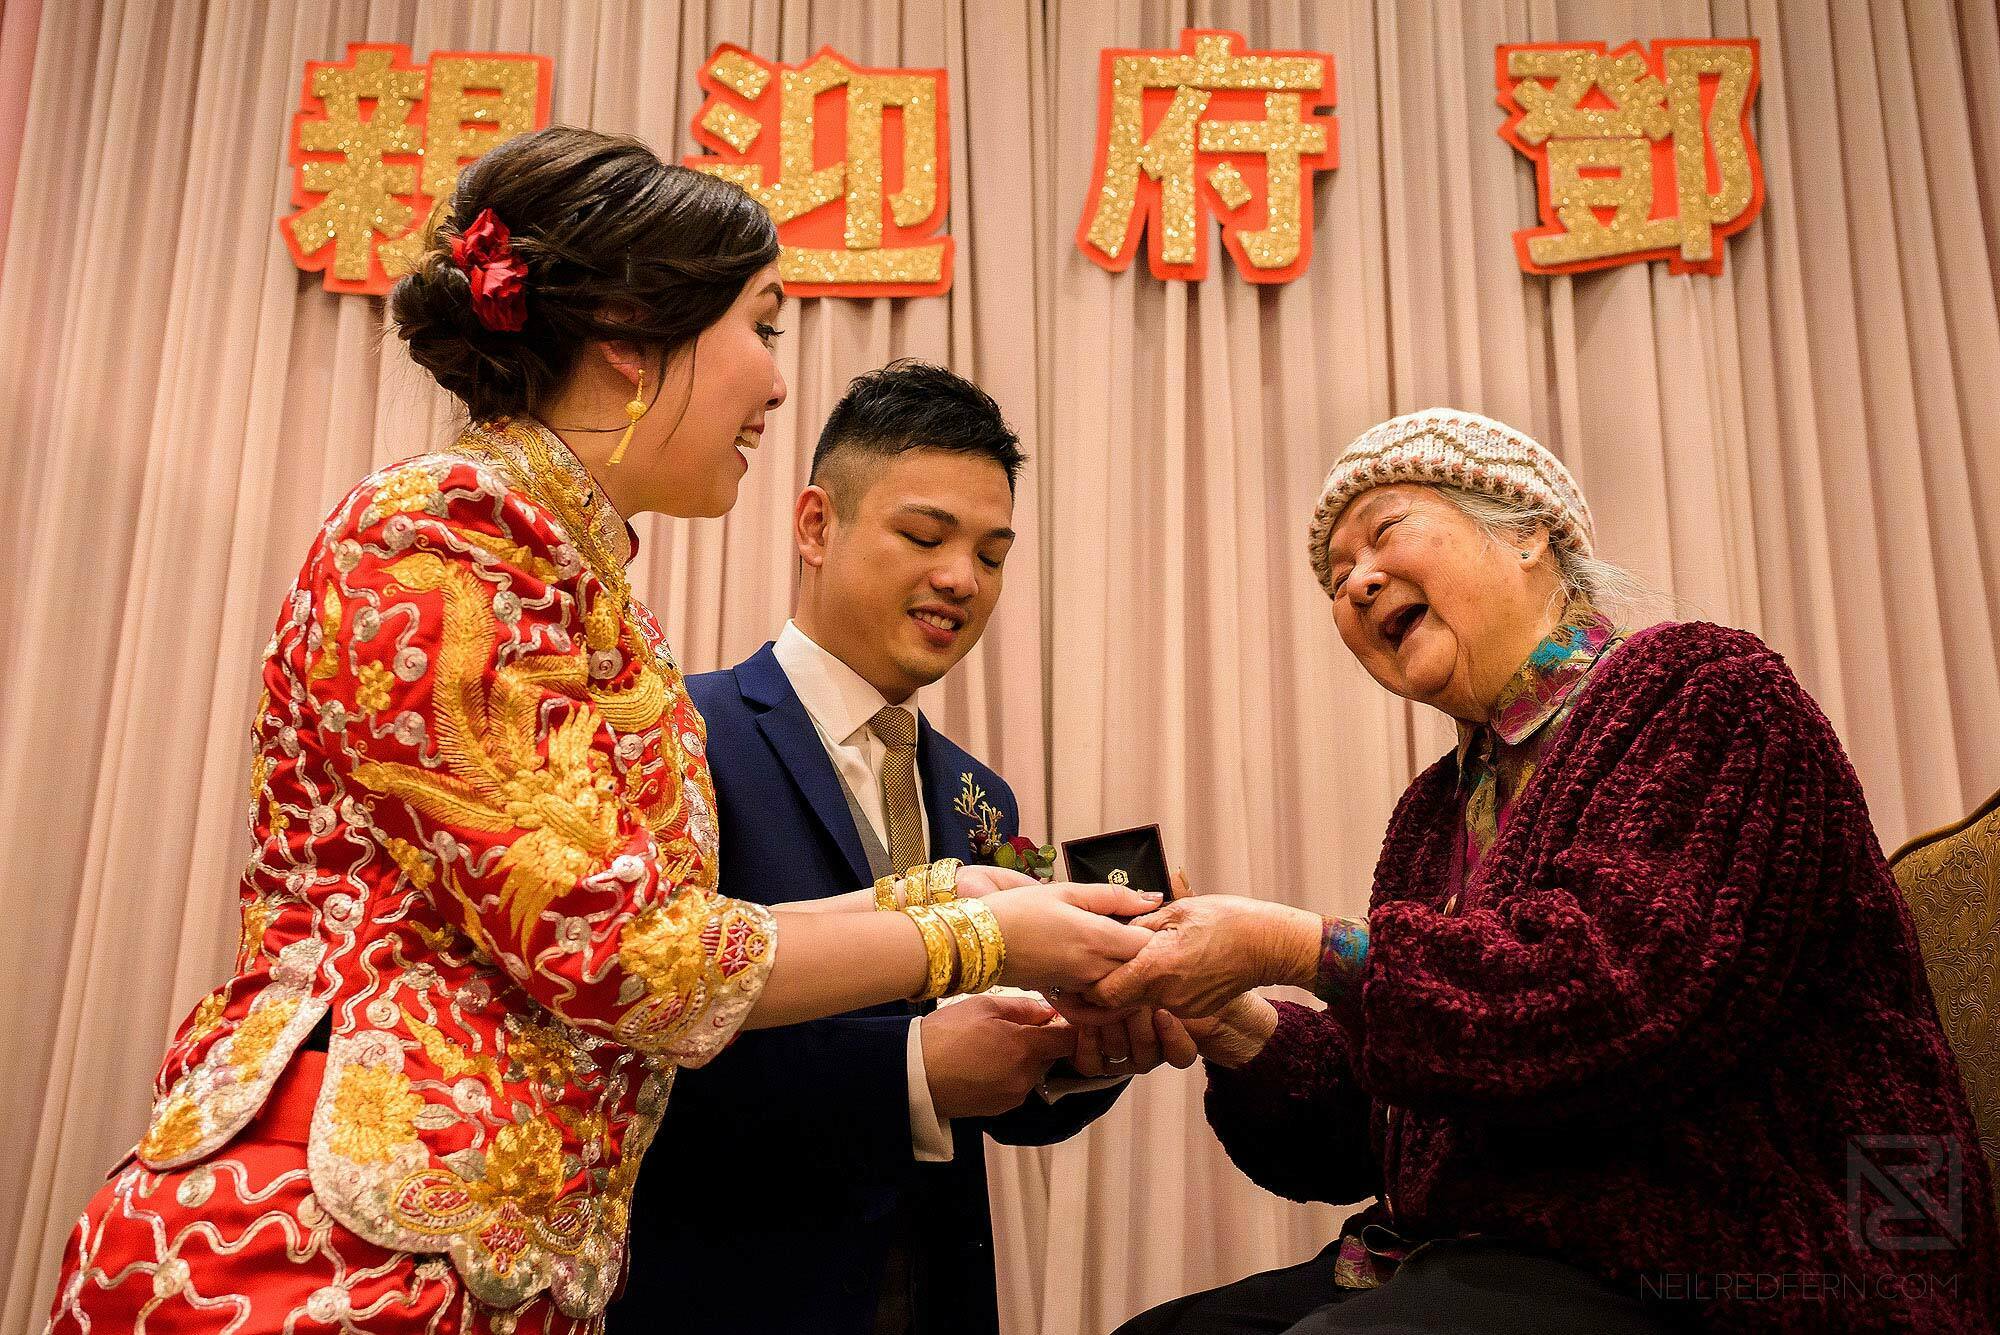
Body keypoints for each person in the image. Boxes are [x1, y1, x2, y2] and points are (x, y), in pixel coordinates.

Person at [42, 126, 1161, 1335]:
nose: (777, 382)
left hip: (491, 1250)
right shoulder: (442, 532)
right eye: (763, 326)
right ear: (633, 347)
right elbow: (630, 958)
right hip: (339, 1244)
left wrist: (967, 895)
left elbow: (652, 931)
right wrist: (974, 937)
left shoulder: (579, 582)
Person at [1089, 409, 1998, 1332]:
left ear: (1528, 530)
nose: (1358, 582)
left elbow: (1618, 999)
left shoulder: (1709, 690)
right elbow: (1387, 1126)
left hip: (1743, 1264)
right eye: (1335, 578)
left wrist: (1299, 944)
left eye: (1387, 530)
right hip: (1492, 1261)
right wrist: (1230, 1015)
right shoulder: (1432, 813)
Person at [614, 360, 1197, 1335]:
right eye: (925, 536)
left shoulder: (978, 795)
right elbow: (627, 1055)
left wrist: (1083, 1051)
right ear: (814, 525)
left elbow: (991, 1091)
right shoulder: (676, 733)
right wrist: (912, 1070)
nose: (960, 578)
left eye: (993, 553)